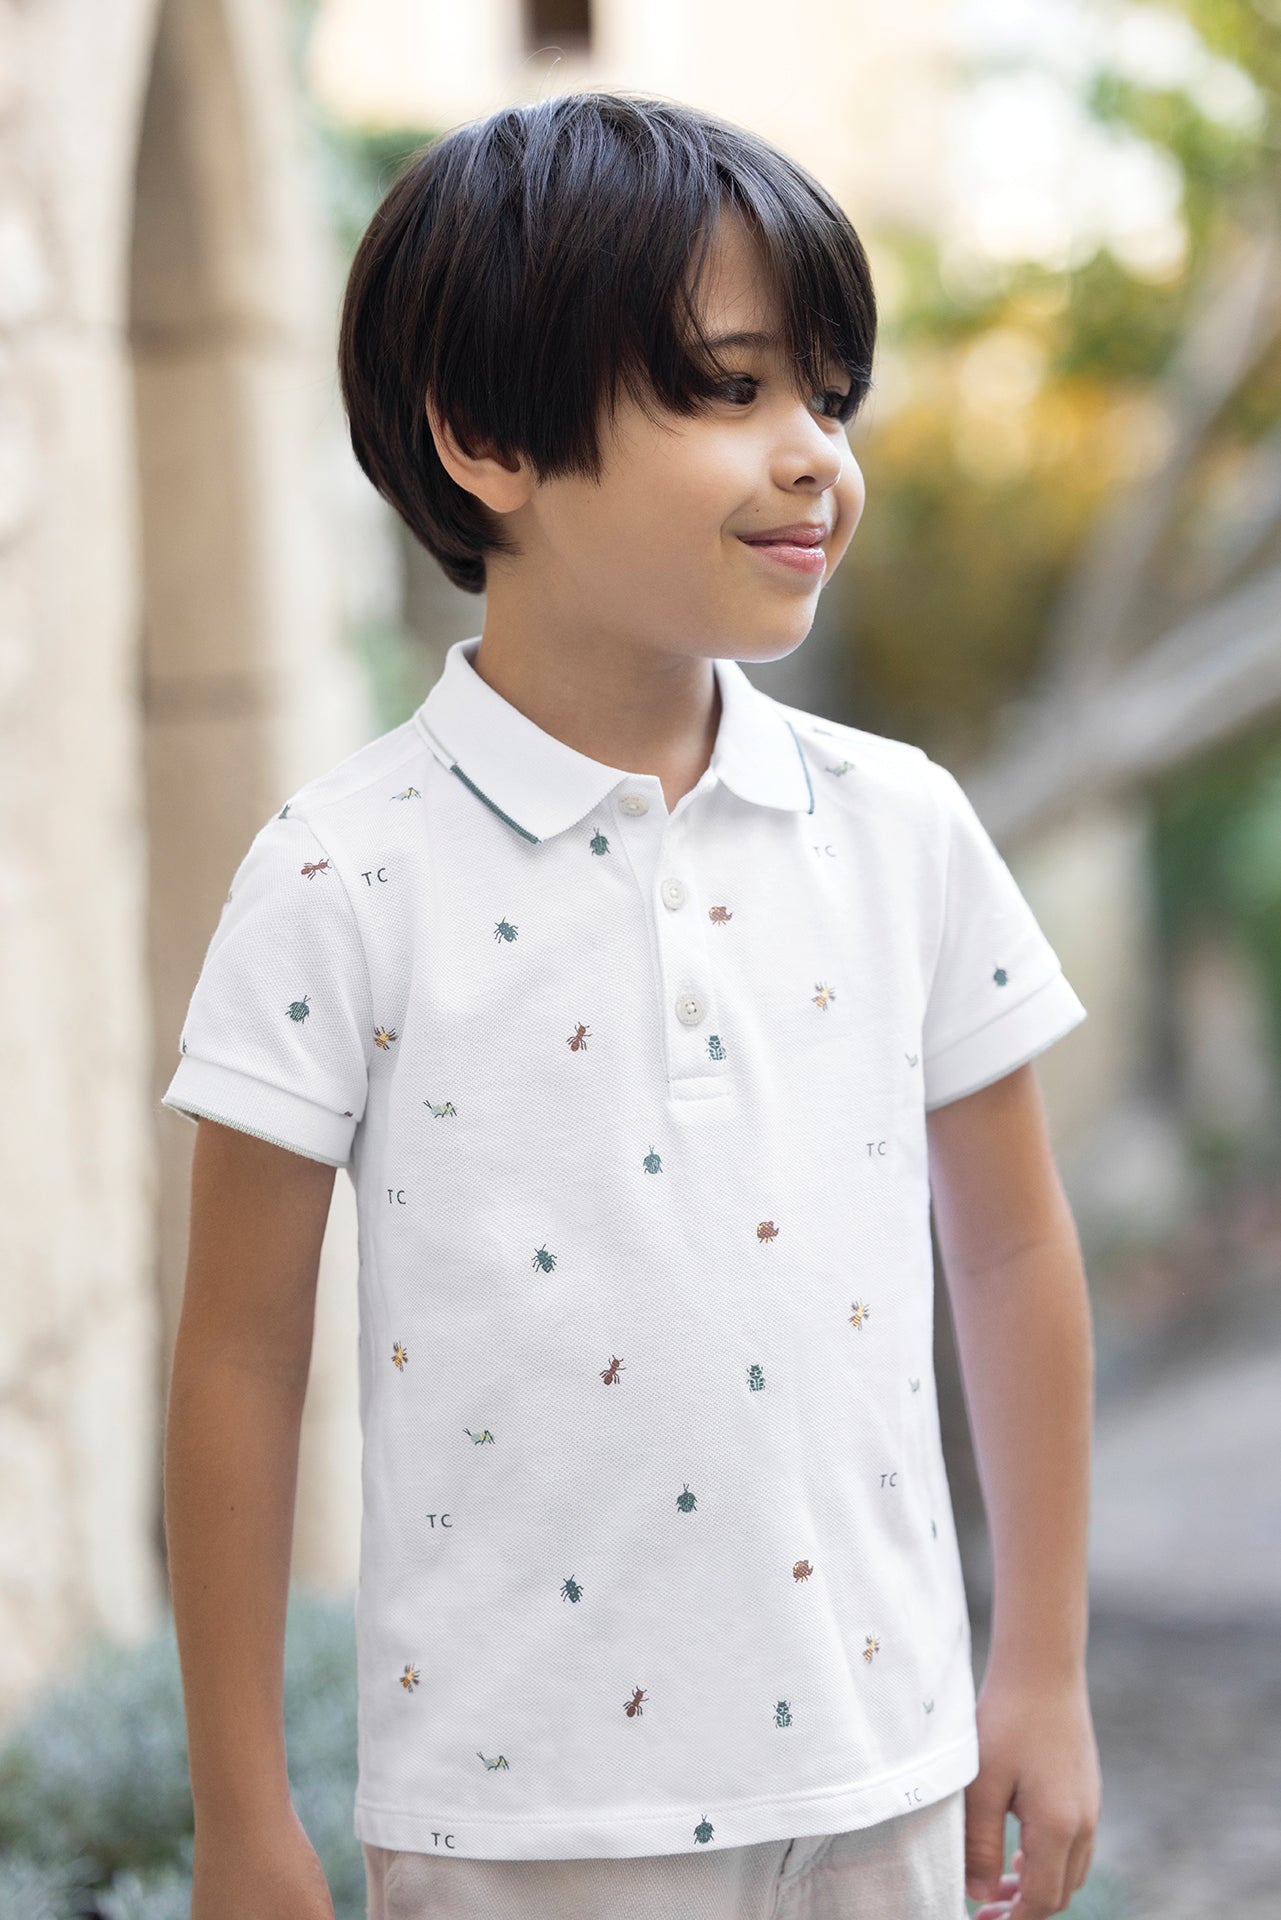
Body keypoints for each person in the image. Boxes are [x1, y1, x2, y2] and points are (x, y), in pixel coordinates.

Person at [161, 90, 1102, 1920]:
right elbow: (239, 1359)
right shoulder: (341, 874)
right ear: (488, 437)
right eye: (729, 389)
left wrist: (1040, 1671)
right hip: (518, 1836)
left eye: (829, 396)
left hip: (882, 1781)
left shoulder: (901, 827)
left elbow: (1007, 1254)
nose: (812, 454)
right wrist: (240, 1814)